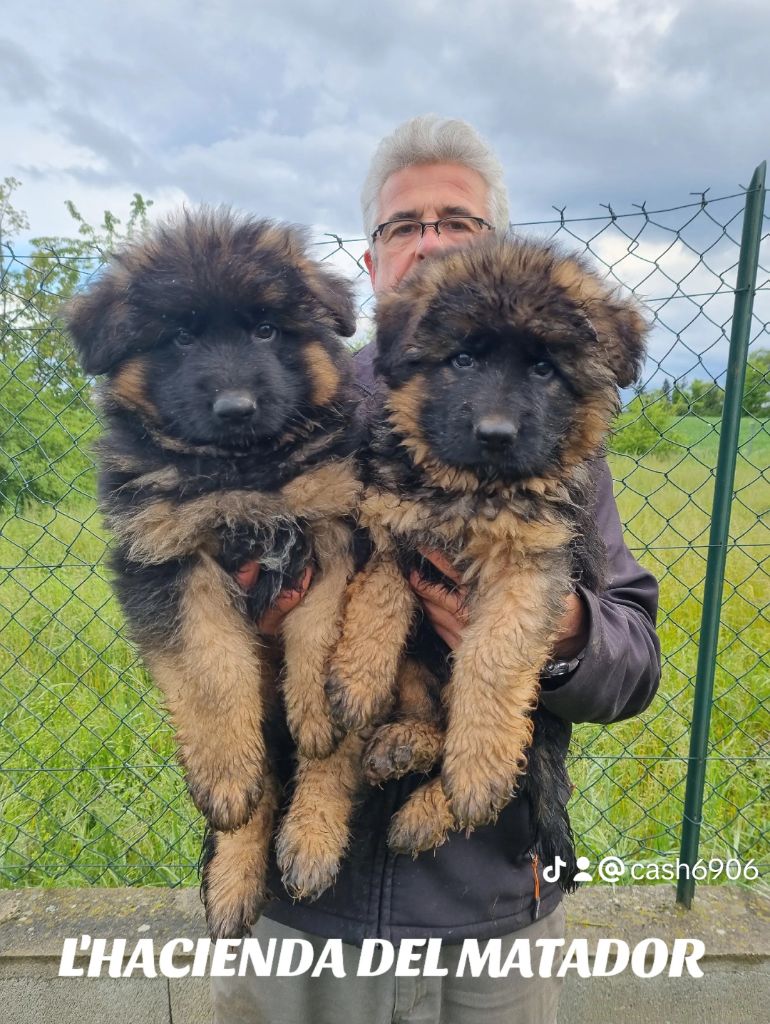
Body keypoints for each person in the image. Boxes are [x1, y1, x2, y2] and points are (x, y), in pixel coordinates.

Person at [212, 115, 661, 1024]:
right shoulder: (297, 411)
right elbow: (198, 594)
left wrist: (557, 630)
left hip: (493, 903)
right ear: (374, 263)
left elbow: (635, 660)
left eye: (455, 220)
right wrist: (258, 613)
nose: (429, 242)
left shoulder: (561, 445)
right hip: (307, 911)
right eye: (403, 225)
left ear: (494, 246)